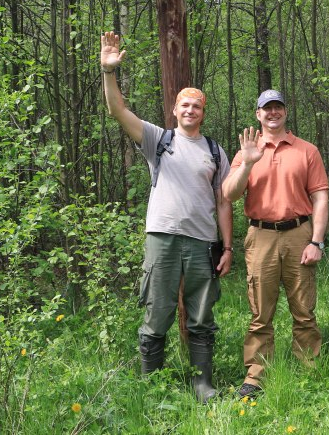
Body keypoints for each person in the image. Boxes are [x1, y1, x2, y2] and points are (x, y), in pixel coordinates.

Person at [100, 31, 233, 403]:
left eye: (198, 106)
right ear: (175, 110)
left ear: (204, 113)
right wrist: (109, 72)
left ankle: (203, 385)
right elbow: (117, 111)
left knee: (202, 316)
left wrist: (228, 247)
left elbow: (224, 201)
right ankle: (152, 386)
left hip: (203, 243)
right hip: (163, 239)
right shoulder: (159, 140)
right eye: (184, 105)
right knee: (157, 313)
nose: (190, 110)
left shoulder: (214, 150)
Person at [222, 90, 329, 398]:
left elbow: (320, 197)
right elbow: (229, 194)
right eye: (266, 108)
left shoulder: (306, 150)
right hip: (261, 235)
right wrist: (246, 163)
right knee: (260, 312)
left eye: (278, 107)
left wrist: (317, 241)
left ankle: (309, 372)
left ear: (285, 111)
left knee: (304, 310)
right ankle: (255, 376)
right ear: (258, 114)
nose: (273, 113)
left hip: (299, 233)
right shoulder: (247, 151)